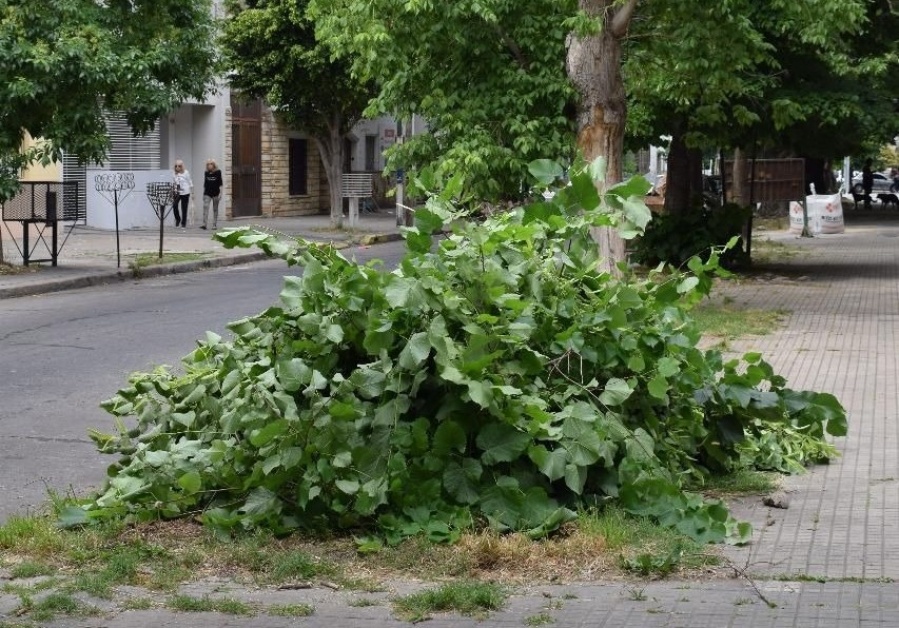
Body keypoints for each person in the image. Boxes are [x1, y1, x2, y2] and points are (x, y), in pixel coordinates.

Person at [201, 159, 223, 230]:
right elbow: (205, 184)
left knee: (215, 209)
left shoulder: (218, 172)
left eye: (210, 164)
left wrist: (221, 193)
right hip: (207, 193)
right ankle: (204, 224)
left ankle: (214, 224)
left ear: (214, 165)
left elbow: (220, 183)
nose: (209, 165)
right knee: (205, 207)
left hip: (216, 193)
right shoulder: (206, 173)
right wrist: (204, 194)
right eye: (208, 164)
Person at [172, 159, 193, 228]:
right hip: (177, 192)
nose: (177, 167)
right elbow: (173, 183)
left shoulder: (186, 173)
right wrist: (173, 191)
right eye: (176, 166)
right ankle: (178, 219)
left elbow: (190, 182)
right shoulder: (173, 173)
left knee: (184, 208)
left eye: (179, 166)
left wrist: (192, 192)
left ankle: (183, 223)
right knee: (174, 205)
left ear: (182, 166)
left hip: (185, 192)